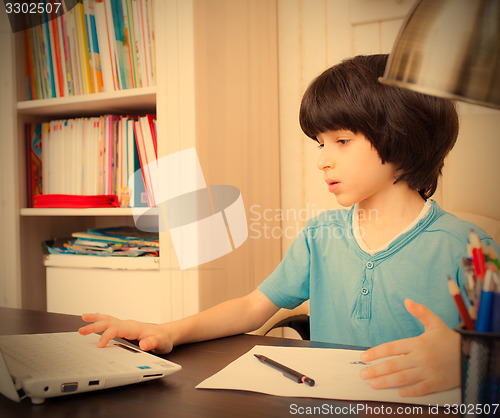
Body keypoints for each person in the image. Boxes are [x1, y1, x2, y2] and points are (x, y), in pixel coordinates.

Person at [79, 54, 499, 398]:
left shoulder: (469, 246)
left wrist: (468, 359)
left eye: (342, 141)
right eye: (321, 143)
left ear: (402, 137)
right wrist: (167, 330)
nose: (322, 160)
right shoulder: (320, 236)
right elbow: (251, 307)